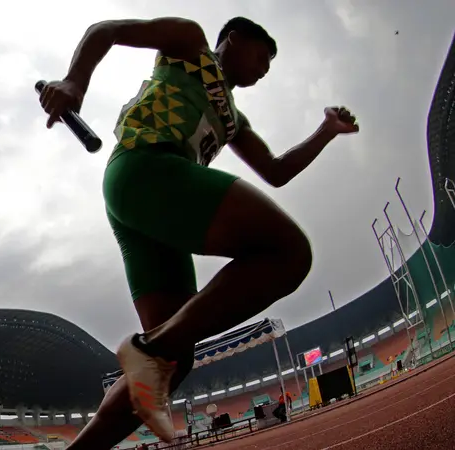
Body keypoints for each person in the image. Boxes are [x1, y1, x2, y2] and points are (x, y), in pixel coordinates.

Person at [38, 16, 358, 448]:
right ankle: (146, 349)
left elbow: (276, 171)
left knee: (174, 360)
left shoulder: (234, 119)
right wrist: (76, 82)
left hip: (149, 209)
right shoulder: (191, 43)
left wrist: (325, 131)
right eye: (262, 56)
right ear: (234, 38)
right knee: (288, 251)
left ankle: (133, 376)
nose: (264, 70)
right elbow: (106, 30)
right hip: (145, 167)